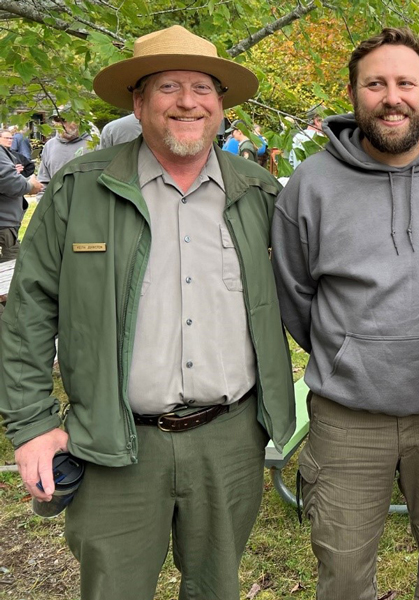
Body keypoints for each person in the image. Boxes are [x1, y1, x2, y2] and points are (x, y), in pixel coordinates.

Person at [0, 25, 296, 600]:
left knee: (216, 588)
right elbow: (29, 312)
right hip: (113, 442)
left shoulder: (259, 193)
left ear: (221, 104)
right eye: (168, 87)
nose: (188, 101)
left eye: (203, 88)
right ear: (138, 103)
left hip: (229, 439)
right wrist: (32, 425)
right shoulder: (81, 190)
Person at [272, 27, 419, 600]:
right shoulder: (309, 185)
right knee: (342, 576)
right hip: (347, 418)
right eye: (376, 84)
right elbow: (295, 293)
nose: (392, 97)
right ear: (353, 93)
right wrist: (346, 354)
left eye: (405, 83)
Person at [0, 131, 42, 262]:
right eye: (6, 137)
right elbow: (10, 181)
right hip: (3, 225)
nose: (10, 140)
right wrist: (30, 185)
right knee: (11, 266)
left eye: (11, 138)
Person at [37, 112, 93, 188]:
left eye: (65, 119)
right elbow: (43, 182)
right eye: (57, 120)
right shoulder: (50, 146)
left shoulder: (93, 143)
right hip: (56, 199)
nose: (62, 124)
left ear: (79, 120)